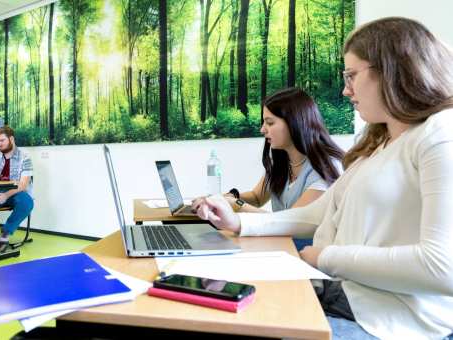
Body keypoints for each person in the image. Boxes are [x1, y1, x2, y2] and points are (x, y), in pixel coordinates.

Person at [193, 17, 453, 339]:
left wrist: (326, 257)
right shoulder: (379, 144)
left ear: (392, 70)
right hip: (343, 295)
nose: (346, 90)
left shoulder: (440, 133)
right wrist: (238, 223)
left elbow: (444, 268)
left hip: (390, 322)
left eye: (351, 76)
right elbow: (316, 214)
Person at [212, 87, 344, 250]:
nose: (262, 129)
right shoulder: (282, 158)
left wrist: (236, 204)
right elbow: (257, 196)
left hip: (308, 254)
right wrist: (224, 199)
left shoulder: (326, 167)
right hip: (282, 246)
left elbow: (289, 223)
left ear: (295, 122)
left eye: (270, 122)